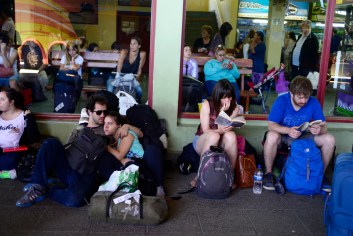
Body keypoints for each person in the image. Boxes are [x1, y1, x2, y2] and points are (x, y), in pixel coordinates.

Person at [15, 95, 141, 207]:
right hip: (67, 164)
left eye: (105, 112)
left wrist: (126, 126)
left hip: (84, 172)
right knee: (50, 143)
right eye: (98, 112)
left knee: (73, 201)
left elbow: (138, 134)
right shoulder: (80, 129)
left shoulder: (108, 128)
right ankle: (37, 186)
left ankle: (49, 189)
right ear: (89, 112)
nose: (102, 115)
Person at [262, 76, 335, 191]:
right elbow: (271, 125)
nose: (304, 101)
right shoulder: (282, 101)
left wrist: (319, 129)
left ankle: (320, 175)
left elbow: (324, 125)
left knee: (329, 139)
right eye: (300, 97)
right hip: (284, 136)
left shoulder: (313, 103)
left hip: (303, 136)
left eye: (306, 97)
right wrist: (288, 130)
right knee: (271, 135)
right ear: (291, 93)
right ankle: (268, 173)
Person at [190, 79, 240, 188]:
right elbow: (206, 130)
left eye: (230, 96)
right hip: (203, 140)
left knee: (231, 135)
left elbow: (223, 128)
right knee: (214, 135)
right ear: (218, 96)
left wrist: (224, 114)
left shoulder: (234, 107)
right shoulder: (207, 104)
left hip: (221, 142)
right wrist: (221, 115)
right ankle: (199, 175)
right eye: (224, 97)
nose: (228, 100)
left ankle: (229, 175)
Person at [103, 111, 165, 196]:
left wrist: (105, 146)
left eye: (109, 123)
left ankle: (158, 188)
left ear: (119, 126)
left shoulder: (126, 134)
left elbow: (120, 155)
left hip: (142, 165)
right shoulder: (114, 140)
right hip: (132, 167)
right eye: (104, 123)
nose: (105, 126)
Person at [106, 36, 146, 103]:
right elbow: (119, 64)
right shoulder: (124, 51)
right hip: (116, 76)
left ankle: (137, 105)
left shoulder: (142, 54)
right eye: (131, 43)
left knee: (139, 91)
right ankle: (111, 106)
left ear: (139, 46)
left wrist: (136, 81)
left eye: (134, 44)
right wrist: (118, 75)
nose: (132, 45)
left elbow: (139, 70)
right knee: (110, 90)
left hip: (130, 78)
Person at [0, 89, 26, 177]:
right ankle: (8, 173)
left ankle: (8, 173)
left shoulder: (24, 116)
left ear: (11, 102)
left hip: (13, 151)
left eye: (2, 99)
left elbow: (32, 137)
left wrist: (29, 118)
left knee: (11, 160)